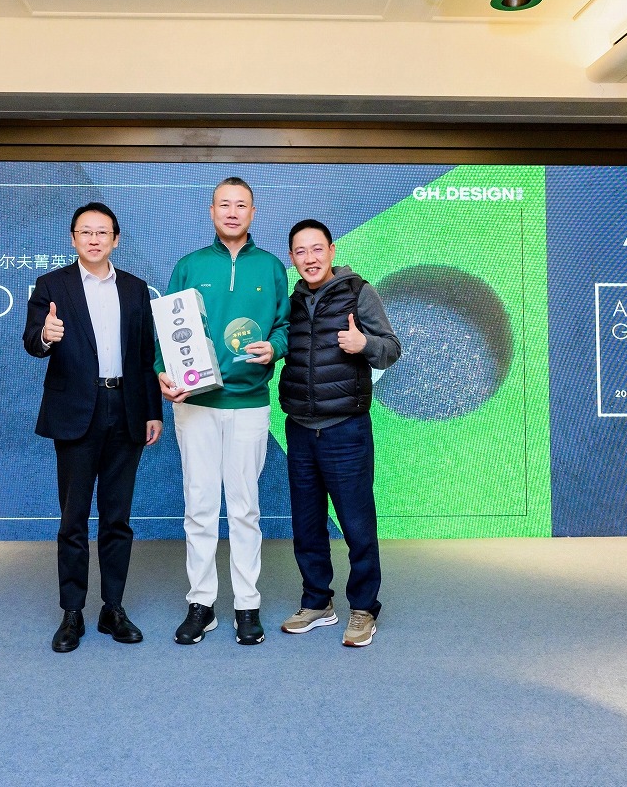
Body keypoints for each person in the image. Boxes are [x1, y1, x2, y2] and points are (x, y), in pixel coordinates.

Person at [23, 202, 163, 653]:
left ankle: (113, 609)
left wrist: (153, 411)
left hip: (126, 407)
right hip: (76, 411)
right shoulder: (52, 285)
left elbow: (145, 356)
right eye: (86, 231)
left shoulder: (136, 288)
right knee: (74, 518)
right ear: (73, 239)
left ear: (116, 239)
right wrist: (46, 336)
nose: (94, 239)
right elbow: (32, 342)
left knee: (117, 518)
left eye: (103, 232)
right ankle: (72, 612)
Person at [157, 177, 289, 646]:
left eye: (241, 205)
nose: (232, 212)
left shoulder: (271, 267)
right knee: (199, 506)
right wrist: (161, 372)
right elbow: (164, 332)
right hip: (195, 404)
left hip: (249, 403)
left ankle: (247, 605)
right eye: (224, 205)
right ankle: (202, 604)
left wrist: (275, 347)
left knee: (245, 508)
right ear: (211, 211)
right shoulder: (189, 266)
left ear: (253, 212)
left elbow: (286, 324)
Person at [277, 218, 401, 647]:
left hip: (345, 429)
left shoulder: (358, 291)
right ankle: (317, 602)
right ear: (292, 258)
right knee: (307, 524)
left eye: (317, 249)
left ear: (331, 251)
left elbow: (391, 348)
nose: (309, 258)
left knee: (357, 525)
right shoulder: (291, 301)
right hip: (299, 429)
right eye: (300, 251)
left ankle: (363, 608)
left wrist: (364, 345)